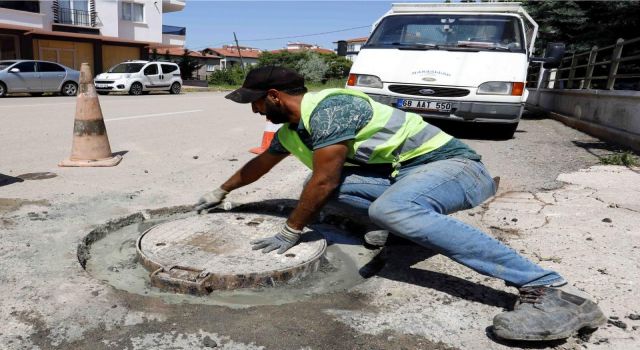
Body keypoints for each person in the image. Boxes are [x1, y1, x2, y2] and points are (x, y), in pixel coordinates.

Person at [195, 66, 605, 341]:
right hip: (406, 175)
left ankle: (548, 289)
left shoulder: (332, 107)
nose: (253, 110)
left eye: (254, 102)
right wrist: (222, 191)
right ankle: (409, 234)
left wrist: (291, 230)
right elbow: (258, 166)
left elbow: (325, 178)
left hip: (454, 168)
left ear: (274, 96)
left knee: (375, 205)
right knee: (326, 191)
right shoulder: (294, 131)